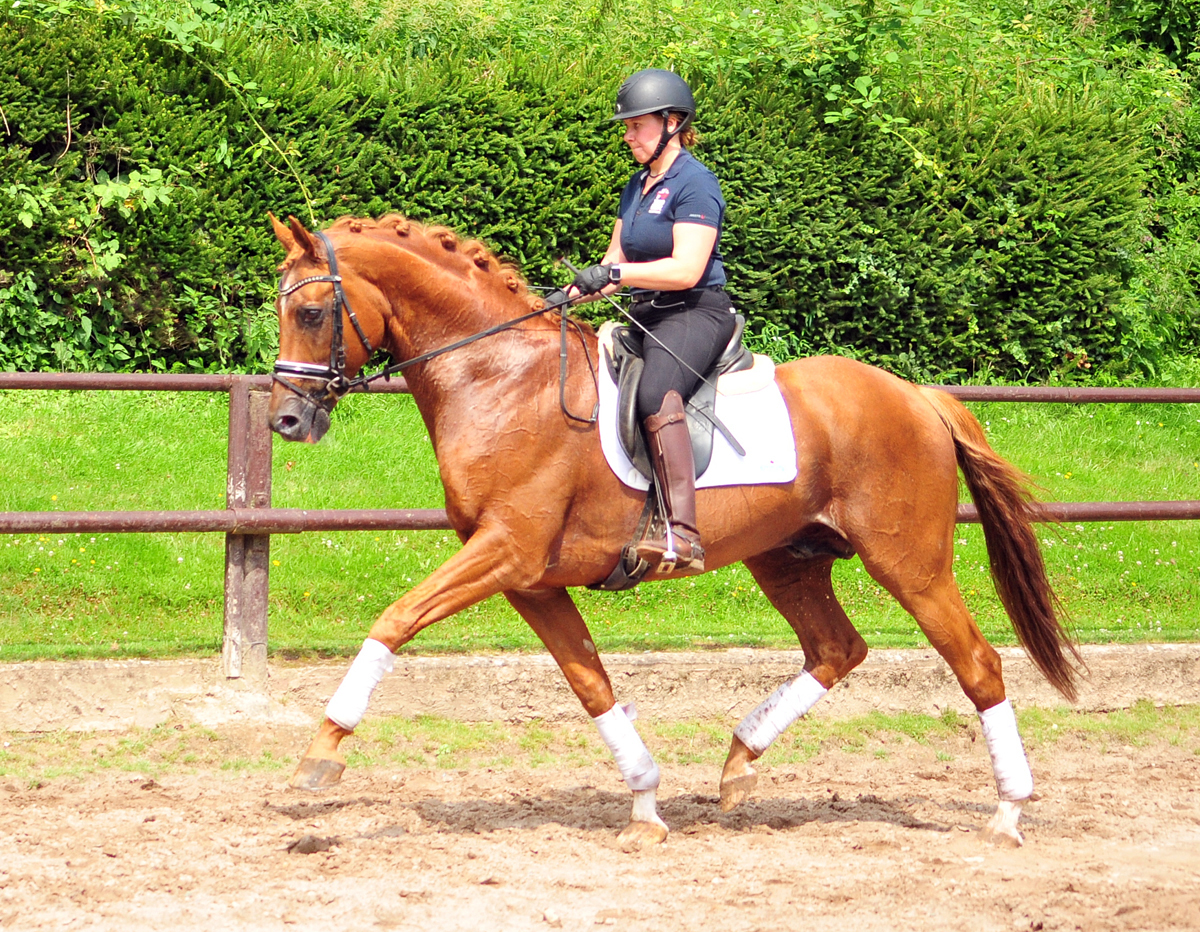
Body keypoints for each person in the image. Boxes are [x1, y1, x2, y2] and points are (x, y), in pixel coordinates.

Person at [565, 68, 737, 575]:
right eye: (627, 126)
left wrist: (616, 270)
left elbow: (685, 269)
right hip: (646, 312)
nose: (627, 135)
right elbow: (615, 263)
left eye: (636, 125)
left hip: (696, 311)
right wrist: (565, 297)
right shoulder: (636, 186)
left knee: (655, 388)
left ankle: (683, 533)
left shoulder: (696, 184)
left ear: (672, 122)